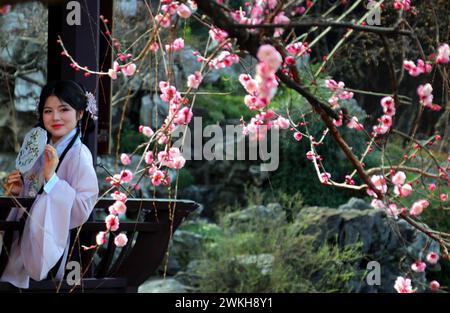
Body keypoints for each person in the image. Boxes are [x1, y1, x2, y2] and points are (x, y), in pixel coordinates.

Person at [0, 80, 99, 289]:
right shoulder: (40, 150)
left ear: (80, 113)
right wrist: (20, 191)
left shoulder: (79, 155)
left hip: (53, 247)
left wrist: (52, 177)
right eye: (48, 111)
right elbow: (35, 196)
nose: (55, 117)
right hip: (25, 240)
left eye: (64, 109)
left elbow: (82, 207)